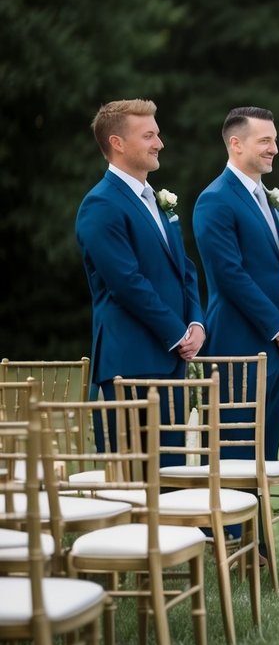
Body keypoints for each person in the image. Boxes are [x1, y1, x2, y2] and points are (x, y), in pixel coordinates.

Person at [75, 99, 205, 460]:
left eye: (157, 134)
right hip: (129, 364)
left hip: (170, 362)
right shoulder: (100, 204)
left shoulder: (156, 200)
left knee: (172, 476)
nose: (159, 143)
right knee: (133, 482)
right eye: (148, 135)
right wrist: (177, 333)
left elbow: (185, 269)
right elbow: (126, 282)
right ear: (117, 143)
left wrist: (196, 321)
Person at [193, 107, 279, 464]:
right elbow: (230, 275)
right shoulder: (214, 200)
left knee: (266, 459)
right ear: (236, 144)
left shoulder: (273, 200)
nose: (274, 148)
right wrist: (277, 326)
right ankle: (225, 523)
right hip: (238, 351)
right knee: (235, 458)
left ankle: (259, 523)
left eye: (274, 140)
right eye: (265, 141)